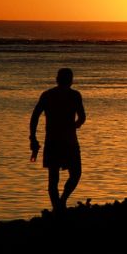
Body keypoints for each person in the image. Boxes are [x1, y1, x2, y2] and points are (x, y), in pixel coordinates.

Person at [30, 68, 86, 211]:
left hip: (54, 141)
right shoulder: (74, 95)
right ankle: (61, 203)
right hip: (69, 141)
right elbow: (82, 117)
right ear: (71, 80)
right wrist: (76, 125)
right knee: (75, 174)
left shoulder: (48, 95)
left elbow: (35, 116)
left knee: (53, 178)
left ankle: (58, 206)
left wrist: (33, 137)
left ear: (57, 79)